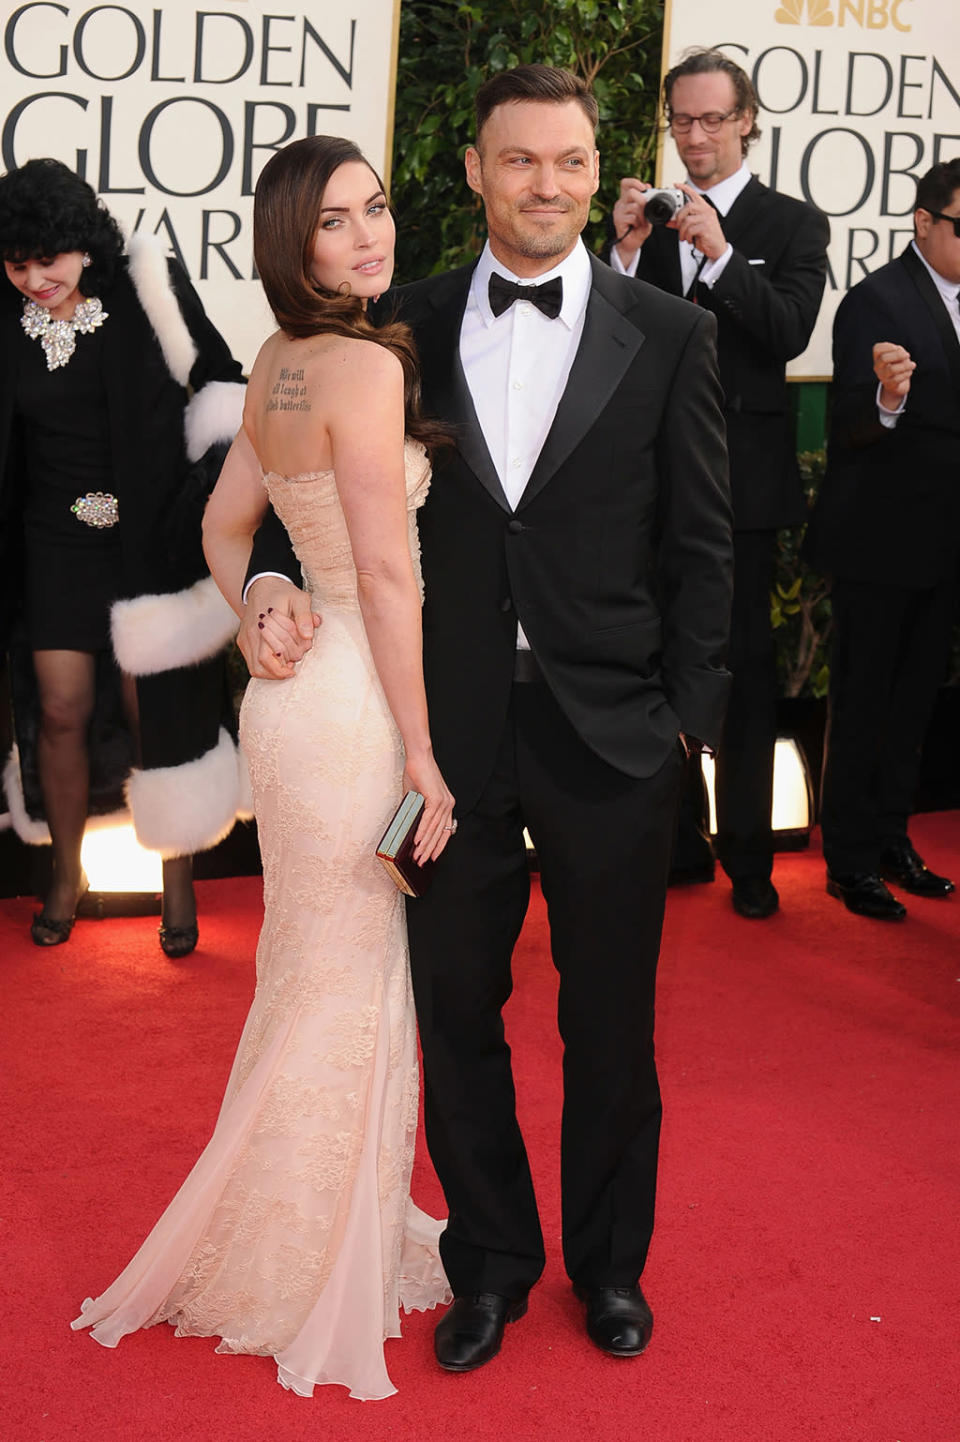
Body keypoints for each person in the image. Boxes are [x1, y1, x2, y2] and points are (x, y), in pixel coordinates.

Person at [242, 66, 733, 1371]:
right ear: (472, 171)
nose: (548, 187)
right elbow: (263, 472)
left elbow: (703, 543)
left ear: (598, 169)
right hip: (437, 746)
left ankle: (609, 1266)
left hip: (611, 738)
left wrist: (684, 721)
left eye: (572, 163)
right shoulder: (388, 324)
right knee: (455, 1010)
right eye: (521, 162)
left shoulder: (669, 335)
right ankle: (493, 1265)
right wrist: (273, 573)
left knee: (611, 1023)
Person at [71, 135, 454, 1401]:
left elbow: (225, 524)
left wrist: (266, 594)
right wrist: (424, 748)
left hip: (293, 704)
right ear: (294, 244)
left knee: (308, 976)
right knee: (345, 985)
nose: (370, 234)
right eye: (338, 221)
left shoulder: (284, 360)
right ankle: (312, 1261)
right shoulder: (354, 361)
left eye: (378, 208)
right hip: (351, 711)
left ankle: (306, 1234)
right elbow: (391, 574)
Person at [0, 158, 247, 956]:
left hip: (150, 539)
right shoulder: (5, 319)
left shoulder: (148, 285)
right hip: (52, 543)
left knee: (158, 715)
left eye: (51, 259)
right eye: (17, 264)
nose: (35, 278)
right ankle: (64, 876)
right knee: (61, 710)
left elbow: (218, 380)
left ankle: (177, 881)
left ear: (84, 243)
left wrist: (213, 504)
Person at [607, 47, 830, 919]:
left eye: (711, 120)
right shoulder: (650, 220)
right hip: (650, 483)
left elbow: (787, 332)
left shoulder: (791, 224)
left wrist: (725, 255)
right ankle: (674, 842)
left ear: (747, 122)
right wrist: (624, 254)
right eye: (681, 122)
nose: (694, 137)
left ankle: (748, 855)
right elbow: (609, 338)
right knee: (646, 661)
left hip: (744, 489)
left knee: (738, 668)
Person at [804, 159, 960, 920]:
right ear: (923, 223)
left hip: (947, 544)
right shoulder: (875, 301)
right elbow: (846, 428)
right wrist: (887, 399)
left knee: (916, 703)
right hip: (880, 540)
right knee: (864, 700)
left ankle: (894, 839)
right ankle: (849, 861)